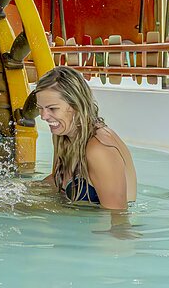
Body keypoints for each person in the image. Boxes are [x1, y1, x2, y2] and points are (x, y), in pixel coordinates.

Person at [34, 66, 137, 209]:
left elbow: (118, 216)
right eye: (40, 108)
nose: (43, 116)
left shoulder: (99, 149)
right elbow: (58, 182)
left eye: (52, 108)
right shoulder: (62, 134)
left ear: (76, 105)